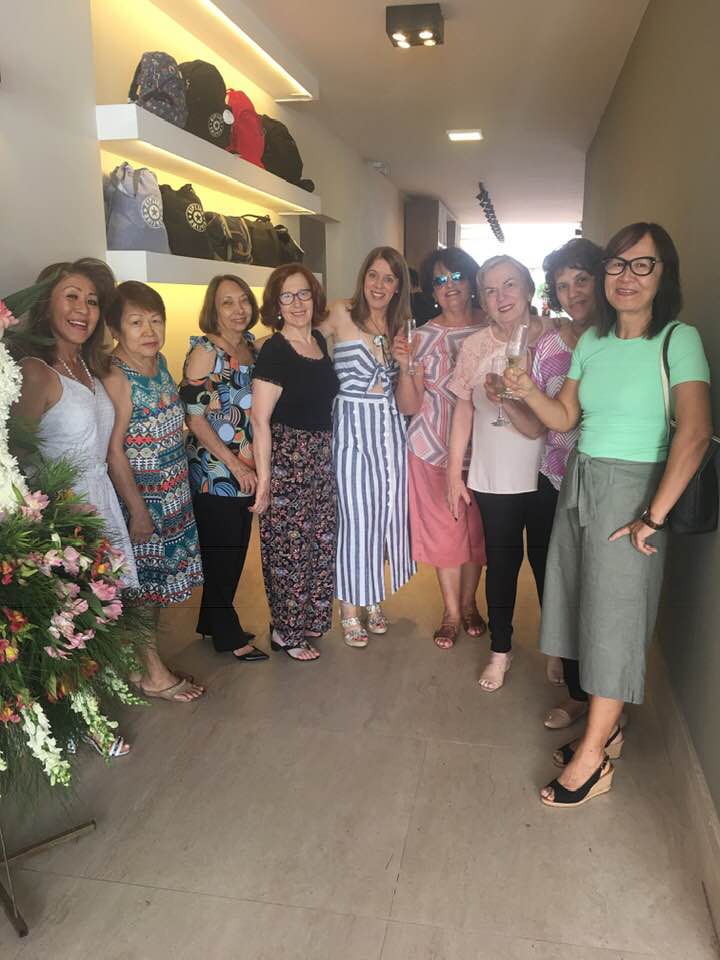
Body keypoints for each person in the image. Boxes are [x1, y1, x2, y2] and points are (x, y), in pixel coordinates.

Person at [505, 222, 711, 807]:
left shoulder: (678, 339)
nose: (626, 277)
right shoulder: (593, 341)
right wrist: (526, 389)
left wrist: (653, 517)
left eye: (642, 265)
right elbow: (565, 417)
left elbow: (695, 433)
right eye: (617, 265)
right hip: (582, 481)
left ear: (663, 274)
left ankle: (593, 759)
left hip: (636, 492)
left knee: (616, 622)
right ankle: (607, 730)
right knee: (581, 606)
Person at [12, 258, 134, 757]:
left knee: (98, 616)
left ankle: (93, 709)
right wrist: (40, 526)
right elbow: (17, 454)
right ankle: (83, 721)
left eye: (92, 301)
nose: (83, 309)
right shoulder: (36, 371)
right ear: (47, 303)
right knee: (70, 624)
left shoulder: (86, 366)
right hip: (63, 514)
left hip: (100, 499)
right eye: (71, 297)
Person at [447, 255, 552, 691]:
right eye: (490, 290)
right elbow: (463, 410)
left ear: (528, 288)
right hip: (494, 475)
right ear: (482, 300)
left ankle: (557, 649)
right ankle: (500, 649)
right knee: (503, 564)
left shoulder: (557, 337)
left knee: (548, 565)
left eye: (509, 284)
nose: (501, 296)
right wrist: (453, 474)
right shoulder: (476, 346)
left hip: (549, 473)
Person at [511, 239, 604, 726]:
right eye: (563, 286)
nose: (574, 293)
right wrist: (511, 397)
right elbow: (543, 422)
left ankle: (604, 695)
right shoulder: (547, 346)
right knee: (556, 581)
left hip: (606, 482)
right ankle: (574, 686)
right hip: (554, 476)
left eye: (582, 279)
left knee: (600, 588)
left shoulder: (620, 340)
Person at [104, 281, 205, 702]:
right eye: (136, 322)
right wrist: (138, 511)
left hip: (172, 490)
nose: (149, 331)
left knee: (157, 585)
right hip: (143, 497)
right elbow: (114, 451)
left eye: (155, 320)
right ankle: (153, 674)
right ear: (115, 329)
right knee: (143, 588)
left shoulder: (158, 362)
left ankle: (142, 663)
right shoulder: (116, 375)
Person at [319, 246, 415, 648]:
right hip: (351, 427)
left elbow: (407, 398)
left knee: (384, 513)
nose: (379, 284)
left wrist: (405, 365)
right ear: (363, 278)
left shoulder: (399, 326)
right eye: (373, 275)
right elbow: (301, 337)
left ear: (398, 287)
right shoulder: (341, 311)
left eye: (388, 278)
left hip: (389, 429)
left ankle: (372, 595)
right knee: (356, 515)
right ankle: (349, 608)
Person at [394, 247, 487, 649]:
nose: (449, 286)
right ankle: (451, 612)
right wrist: (405, 368)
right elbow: (409, 405)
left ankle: (469, 604)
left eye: (457, 277)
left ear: (472, 281)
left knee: (477, 535)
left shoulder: (493, 328)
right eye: (440, 281)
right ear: (432, 291)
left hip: (485, 452)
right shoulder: (420, 337)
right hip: (431, 449)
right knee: (446, 534)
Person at [250, 265, 338, 661]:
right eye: (287, 296)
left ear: (314, 297)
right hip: (289, 460)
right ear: (276, 304)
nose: (297, 303)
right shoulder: (275, 350)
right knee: (289, 550)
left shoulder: (317, 340)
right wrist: (265, 481)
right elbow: (260, 419)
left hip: (320, 459)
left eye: (303, 293)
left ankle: (309, 620)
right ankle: (286, 632)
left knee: (319, 542)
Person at [179, 275, 267, 662]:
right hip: (215, 469)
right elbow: (194, 417)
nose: (238, 309)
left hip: (245, 466)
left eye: (243, 300)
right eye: (227, 302)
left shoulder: (249, 346)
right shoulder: (205, 351)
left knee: (233, 548)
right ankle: (227, 635)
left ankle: (211, 622)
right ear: (213, 310)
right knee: (223, 553)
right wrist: (233, 465)